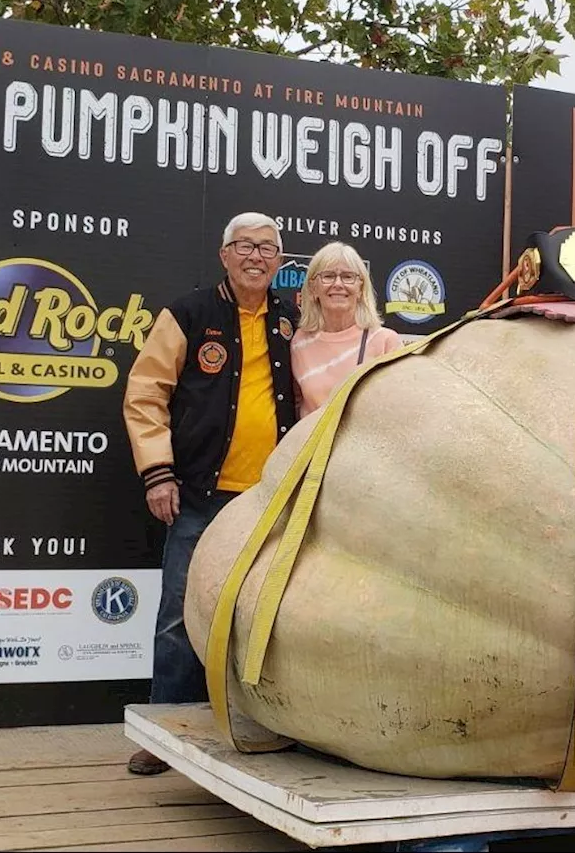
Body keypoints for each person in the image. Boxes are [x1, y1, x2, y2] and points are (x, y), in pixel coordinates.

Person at [121, 211, 299, 776]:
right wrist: (158, 472)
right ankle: (163, 735)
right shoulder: (188, 313)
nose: (256, 256)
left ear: (279, 261)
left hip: (269, 501)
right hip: (198, 495)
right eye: (244, 246)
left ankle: (263, 728)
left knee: (264, 617)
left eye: (267, 248)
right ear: (224, 255)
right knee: (178, 615)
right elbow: (145, 394)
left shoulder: (292, 321)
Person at [291, 241, 403, 418]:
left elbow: (398, 408)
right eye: (328, 276)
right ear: (313, 288)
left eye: (347, 276)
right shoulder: (299, 342)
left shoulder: (386, 342)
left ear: (360, 288)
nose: (338, 284)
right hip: (313, 444)